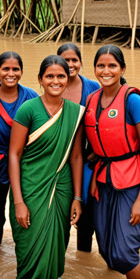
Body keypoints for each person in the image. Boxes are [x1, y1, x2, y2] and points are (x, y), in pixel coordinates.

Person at [8, 55, 85, 279]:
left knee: (56, 249)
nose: (56, 81)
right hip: (30, 188)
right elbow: (14, 154)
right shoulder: (28, 110)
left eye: (61, 76)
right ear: (40, 80)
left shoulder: (75, 112)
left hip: (62, 188)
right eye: (49, 76)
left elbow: (76, 156)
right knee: (28, 247)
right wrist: (18, 202)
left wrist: (77, 198)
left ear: (67, 79)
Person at [85, 45, 140, 279]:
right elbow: (97, 148)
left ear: (122, 69)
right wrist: (94, 177)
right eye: (101, 66)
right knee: (105, 248)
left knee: (125, 253)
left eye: (112, 66)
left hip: (133, 182)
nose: (106, 71)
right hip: (104, 181)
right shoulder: (92, 99)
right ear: (94, 69)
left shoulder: (133, 100)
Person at [0, 52, 38, 247]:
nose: (11, 73)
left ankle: (27, 247)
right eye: (6, 69)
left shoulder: (32, 97)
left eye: (15, 69)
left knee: (28, 209)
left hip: (26, 164)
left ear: (21, 71)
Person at [57, 43, 100, 252]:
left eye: (74, 60)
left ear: (81, 63)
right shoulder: (53, 86)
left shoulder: (94, 89)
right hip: (58, 161)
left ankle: (84, 256)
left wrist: (94, 154)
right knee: (59, 211)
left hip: (87, 160)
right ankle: (59, 256)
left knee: (86, 210)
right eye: (66, 60)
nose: (71, 64)